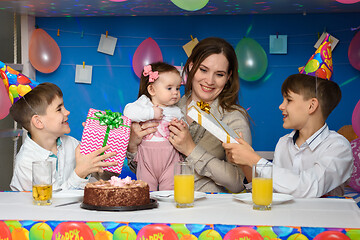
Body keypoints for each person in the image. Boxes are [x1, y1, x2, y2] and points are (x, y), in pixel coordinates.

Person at [127, 37, 252, 193]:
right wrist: (133, 146)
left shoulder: (233, 117)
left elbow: (240, 182)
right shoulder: (163, 106)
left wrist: (191, 150)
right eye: (203, 70)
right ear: (191, 67)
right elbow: (144, 171)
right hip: (161, 206)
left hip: (203, 209)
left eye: (219, 74)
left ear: (228, 77)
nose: (209, 81)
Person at [223, 74, 354, 198]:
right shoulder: (283, 143)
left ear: (311, 105)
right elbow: (271, 193)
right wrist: (245, 163)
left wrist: (254, 160)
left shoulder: (338, 146)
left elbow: (307, 188)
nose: (281, 106)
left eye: (289, 100)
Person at [9, 82, 117, 191]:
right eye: (59, 109)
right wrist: (79, 173)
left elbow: (104, 179)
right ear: (38, 122)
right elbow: (51, 202)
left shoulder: (73, 144)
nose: (67, 112)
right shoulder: (26, 162)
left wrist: (104, 143)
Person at [124, 62, 184, 191]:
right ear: (152, 90)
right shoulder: (144, 103)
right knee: (145, 192)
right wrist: (151, 113)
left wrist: (183, 126)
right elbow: (128, 112)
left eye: (178, 88)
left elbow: (184, 132)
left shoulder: (176, 111)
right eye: (169, 88)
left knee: (170, 192)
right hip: (146, 158)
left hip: (170, 157)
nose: (175, 93)